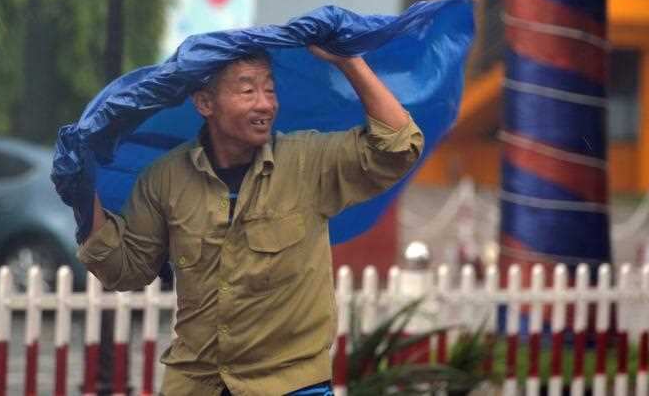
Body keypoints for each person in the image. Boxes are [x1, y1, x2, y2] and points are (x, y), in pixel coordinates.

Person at [78, 46, 424, 396]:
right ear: (205, 103)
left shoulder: (308, 161)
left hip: (290, 383)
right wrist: (81, 189)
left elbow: (398, 148)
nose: (265, 104)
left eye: (270, 90)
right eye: (247, 91)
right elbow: (126, 269)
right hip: (196, 382)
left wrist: (348, 61)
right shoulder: (165, 179)